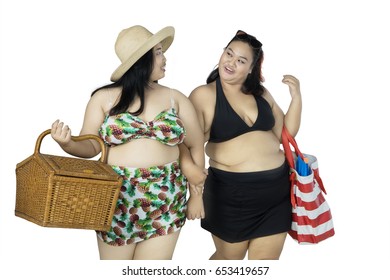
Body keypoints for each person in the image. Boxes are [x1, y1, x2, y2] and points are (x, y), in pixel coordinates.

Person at [50, 25, 205, 260]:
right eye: (159, 52)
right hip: (117, 198)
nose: (165, 58)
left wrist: (197, 195)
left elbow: (195, 145)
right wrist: (68, 143)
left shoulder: (176, 98)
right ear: (142, 60)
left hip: (167, 197)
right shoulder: (103, 98)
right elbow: (91, 146)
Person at [187, 30, 302, 260]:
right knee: (230, 262)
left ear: (251, 68)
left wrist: (296, 97)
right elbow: (189, 148)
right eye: (229, 54)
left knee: (264, 266)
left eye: (241, 60)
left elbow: (286, 134)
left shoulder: (261, 93)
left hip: (275, 194)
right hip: (231, 196)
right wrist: (195, 195)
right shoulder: (204, 95)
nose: (231, 62)